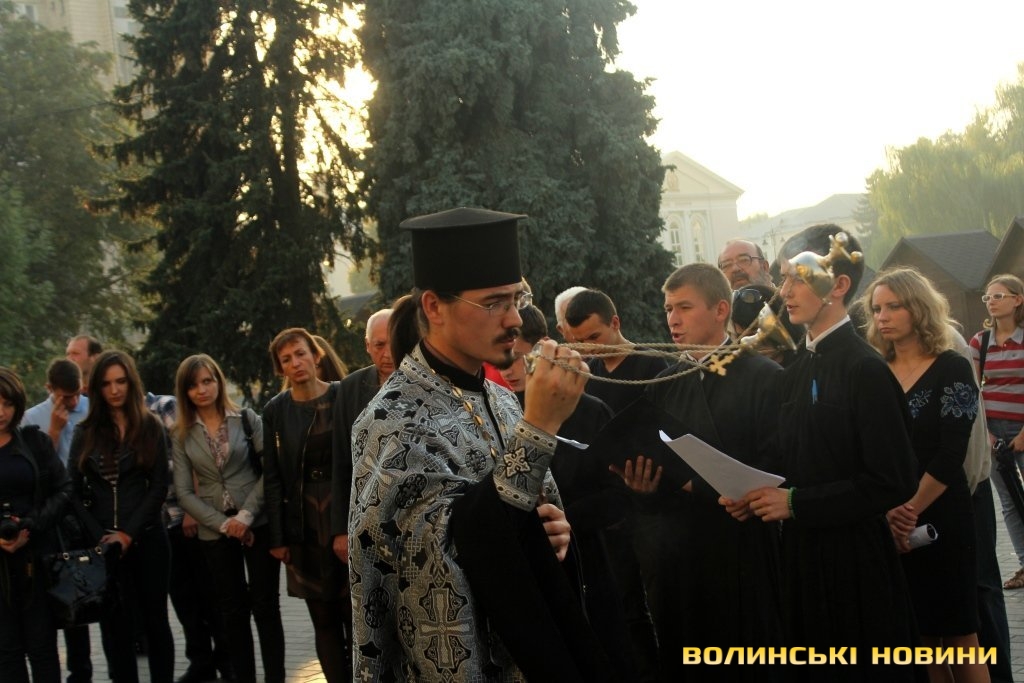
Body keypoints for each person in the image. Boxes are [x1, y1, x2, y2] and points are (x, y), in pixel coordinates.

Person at [349, 207, 610, 681]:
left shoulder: (503, 400)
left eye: (517, 299)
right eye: (494, 304)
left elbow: (523, 513)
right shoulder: (391, 421)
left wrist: (549, 535)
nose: (514, 320)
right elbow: (430, 558)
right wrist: (540, 427)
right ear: (434, 307)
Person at [725, 225, 919, 681]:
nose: (784, 291)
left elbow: (893, 480)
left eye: (797, 278)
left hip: (853, 564)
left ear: (839, 284)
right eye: (783, 279)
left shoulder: (865, 369)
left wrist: (796, 503)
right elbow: (790, 457)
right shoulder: (797, 369)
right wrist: (751, 493)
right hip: (801, 558)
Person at [615, 263, 784, 682]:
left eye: (684, 307)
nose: (672, 319)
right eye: (668, 308)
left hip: (744, 551)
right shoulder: (663, 383)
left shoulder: (765, 377)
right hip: (680, 558)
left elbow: (779, 463)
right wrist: (643, 487)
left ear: (721, 309)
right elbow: (656, 472)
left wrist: (722, 491)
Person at [863, 268, 987, 683]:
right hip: (890, 519)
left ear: (918, 308)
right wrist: (891, 514)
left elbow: (952, 453)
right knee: (920, 638)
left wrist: (909, 510)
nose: (883, 317)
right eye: (876, 309)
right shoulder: (876, 369)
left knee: (960, 636)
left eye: (894, 306)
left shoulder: (952, 365)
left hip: (941, 514)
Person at [172, 354, 285, 683]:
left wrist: (245, 516)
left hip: (257, 523)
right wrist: (226, 525)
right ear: (185, 391)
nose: (202, 390)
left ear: (219, 382)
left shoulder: (246, 418)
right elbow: (184, 493)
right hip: (215, 531)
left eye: (207, 381)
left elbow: (270, 471)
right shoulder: (181, 434)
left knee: (265, 606)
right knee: (232, 612)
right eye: (193, 385)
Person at [68, 350, 174, 683]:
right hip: (103, 544)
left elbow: (159, 486)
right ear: (96, 388)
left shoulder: (150, 426)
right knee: (115, 628)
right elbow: (71, 490)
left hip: (148, 538)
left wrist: (128, 533)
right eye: (106, 383)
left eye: (121, 381)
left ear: (131, 382)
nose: (114, 390)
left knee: (156, 622)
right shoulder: (86, 431)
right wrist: (99, 535)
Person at [262, 329, 350, 682]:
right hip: (303, 521)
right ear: (280, 368)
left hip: (343, 511)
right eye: (286, 359)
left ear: (316, 355)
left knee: (354, 613)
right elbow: (272, 477)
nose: (296, 363)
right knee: (323, 619)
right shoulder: (276, 410)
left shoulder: (343, 395)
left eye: (300, 354)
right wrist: (278, 537)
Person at [22, 360, 94, 683]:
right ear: (50, 389)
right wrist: (53, 431)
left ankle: (82, 672)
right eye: (66, 396)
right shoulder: (32, 418)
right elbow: (36, 474)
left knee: (80, 597)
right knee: (54, 598)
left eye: (77, 393)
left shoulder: (92, 410)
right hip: (51, 517)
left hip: (84, 514)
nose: (73, 402)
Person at [0, 367, 71, 683]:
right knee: (6, 651)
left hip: (36, 560)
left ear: (17, 405)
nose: (0, 412)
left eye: (7, 403)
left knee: (42, 648)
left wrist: (31, 525)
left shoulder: (34, 442)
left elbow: (64, 489)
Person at [970, 274, 1024, 591]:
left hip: (1022, 429)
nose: (991, 301)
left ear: (1017, 300)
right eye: (987, 297)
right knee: (1008, 501)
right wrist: (986, 435)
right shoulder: (980, 342)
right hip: (993, 433)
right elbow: (973, 391)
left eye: (998, 296)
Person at [564, 288, 669, 414]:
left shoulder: (651, 363)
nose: (588, 348)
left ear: (614, 323)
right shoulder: (587, 373)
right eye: (580, 341)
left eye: (594, 337)